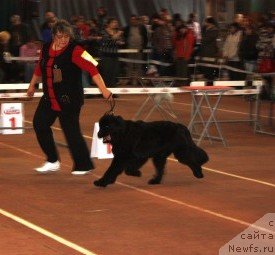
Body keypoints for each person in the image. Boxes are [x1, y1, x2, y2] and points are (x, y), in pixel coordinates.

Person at [27, 20, 113, 175]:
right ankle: (52, 160)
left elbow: (93, 69)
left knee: (71, 131)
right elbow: (39, 67)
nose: (63, 40)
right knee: (39, 124)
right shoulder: (46, 48)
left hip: (70, 99)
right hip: (50, 97)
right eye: (60, 36)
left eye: (67, 36)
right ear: (53, 36)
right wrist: (32, 85)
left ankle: (84, 165)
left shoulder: (76, 50)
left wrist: (103, 89)